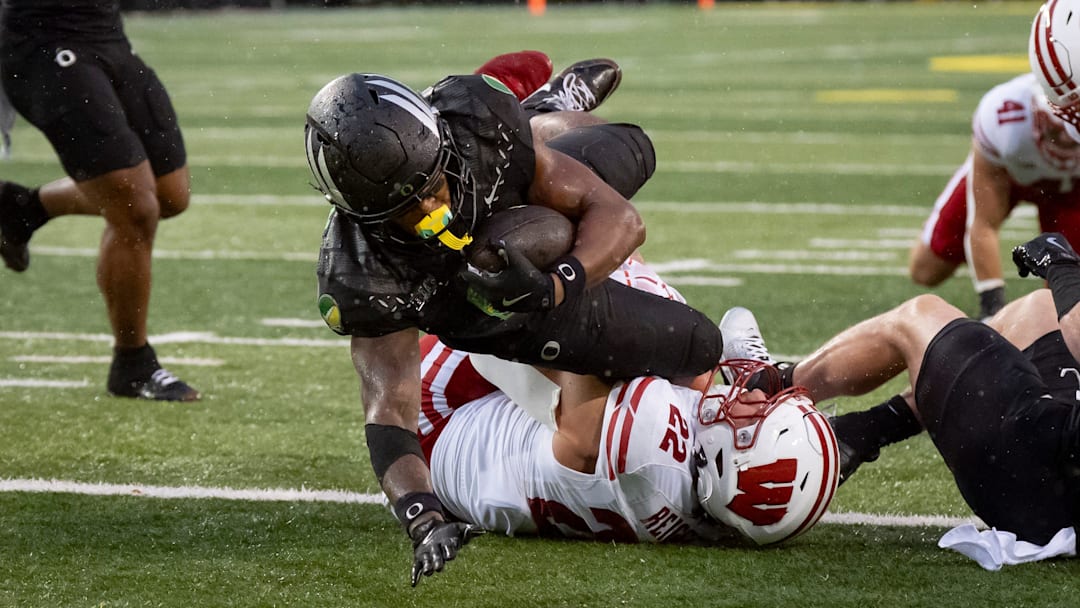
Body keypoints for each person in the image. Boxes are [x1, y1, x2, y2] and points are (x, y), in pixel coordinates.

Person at [305, 54, 726, 584]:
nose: (434, 205)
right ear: (362, 215)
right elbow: (388, 413)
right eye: (408, 206)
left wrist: (559, 282)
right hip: (487, 312)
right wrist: (421, 515)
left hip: (534, 252)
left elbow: (619, 217)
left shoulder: (473, 127)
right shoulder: (363, 273)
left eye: (434, 181)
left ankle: (542, 111)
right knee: (696, 346)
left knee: (629, 148)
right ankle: (536, 122)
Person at [414, 258, 838, 552]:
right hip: (508, 451)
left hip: (437, 423)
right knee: (672, 346)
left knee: (639, 298)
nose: (758, 398)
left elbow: (583, 349)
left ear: (733, 458)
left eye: (757, 417)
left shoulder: (652, 444)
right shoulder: (720, 509)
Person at [723, 232, 1080, 565]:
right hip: (1061, 471)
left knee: (917, 317)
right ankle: (859, 432)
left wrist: (1060, 263)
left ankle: (766, 384)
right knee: (1039, 308)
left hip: (1037, 478)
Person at [0, 0, 198, 401]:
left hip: (107, 34)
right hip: (44, 41)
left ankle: (25, 208)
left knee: (170, 195)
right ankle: (132, 363)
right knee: (136, 207)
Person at [909, 0, 1080, 320]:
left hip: (1073, 187)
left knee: (1064, 308)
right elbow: (983, 224)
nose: (1067, 137)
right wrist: (993, 306)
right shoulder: (1004, 120)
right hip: (1009, 172)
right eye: (1059, 129)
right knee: (925, 268)